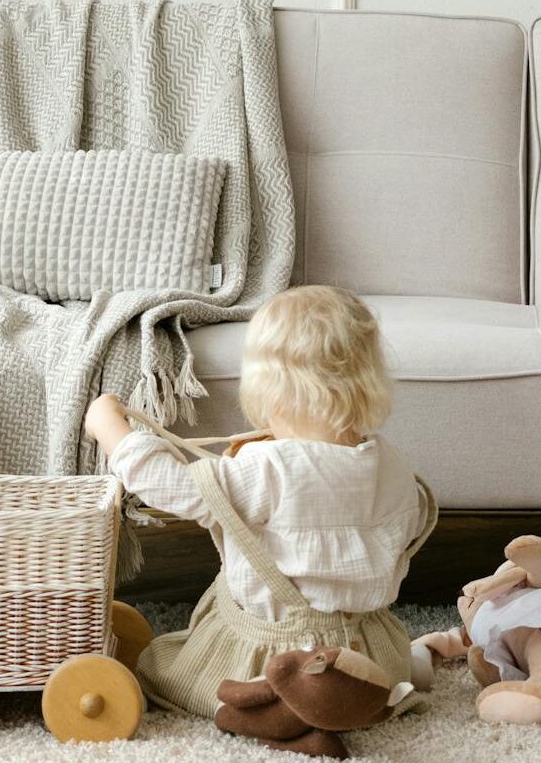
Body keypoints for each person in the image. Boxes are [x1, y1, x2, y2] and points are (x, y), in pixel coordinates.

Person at [83, 284, 436, 718]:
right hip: (371, 651)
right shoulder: (392, 465)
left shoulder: (269, 468)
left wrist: (111, 430)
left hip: (273, 654)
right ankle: (375, 687)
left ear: (273, 389)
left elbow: (169, 485)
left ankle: (282, 709)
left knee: (158, 666)